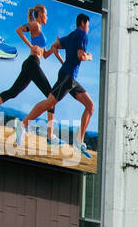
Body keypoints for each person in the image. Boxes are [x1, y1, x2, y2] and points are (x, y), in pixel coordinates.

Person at [15, 13, 95, 160]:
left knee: (90, 106)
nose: (88, 28)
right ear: (83, 23)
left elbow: (54, 46)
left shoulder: (71, 36)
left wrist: (61, 57)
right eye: (88, 25)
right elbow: (81, 56)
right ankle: (23, 125)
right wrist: (88, 56)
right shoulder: (82, 35)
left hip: (70, 78)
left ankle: (79, 142)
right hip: (67, 77)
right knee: (50, 102)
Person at [0, 4, 58, 128]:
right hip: (32, 63)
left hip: (31, 64)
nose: (47, 18)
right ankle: (49, 136)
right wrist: (30, 46)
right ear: (40, 14)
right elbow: (19, 30)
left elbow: (45, 55)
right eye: (46, 14)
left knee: (13, 92)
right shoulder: (35, 25)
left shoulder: (40, 31)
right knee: (51, 97)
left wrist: (55, 47)